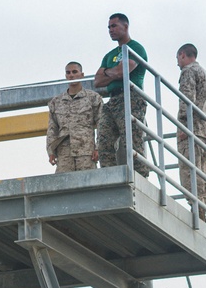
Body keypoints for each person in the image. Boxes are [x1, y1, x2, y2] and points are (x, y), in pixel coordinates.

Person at [94, 13, 150, 177]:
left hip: (131, 98)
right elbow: (97, 81)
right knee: (104, 140)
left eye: (114, 26)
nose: (111, 30)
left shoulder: (135, 47)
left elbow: (122, 72)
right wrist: (111, 72)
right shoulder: (109, 55)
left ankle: (140, 176)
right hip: (113, 99)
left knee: (131, 140)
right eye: (109, 27)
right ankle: (108, 176)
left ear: (125, 27)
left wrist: (109, 73)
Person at [176, 43, 206, 220]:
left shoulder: (188, 72)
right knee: (202, 174)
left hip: (193, 130)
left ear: (183, 55)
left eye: (177, 58)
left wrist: (187, 127)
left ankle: (197, 212)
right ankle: (202, 210)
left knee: (189, 175)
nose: (177, 63)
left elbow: (187, 100)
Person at [46, 62, 103, 173]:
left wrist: (98, 148)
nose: (71, 75)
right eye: (68, 73)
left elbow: (102, 123)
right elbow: (52, 129)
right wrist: (50, 150)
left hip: (86, 152)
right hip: (64, 154)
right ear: (65, 76)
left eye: (74, 72)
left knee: (88, 184)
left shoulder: (93, 98)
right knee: (63, 186)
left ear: (82, 75)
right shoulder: (56, 102)